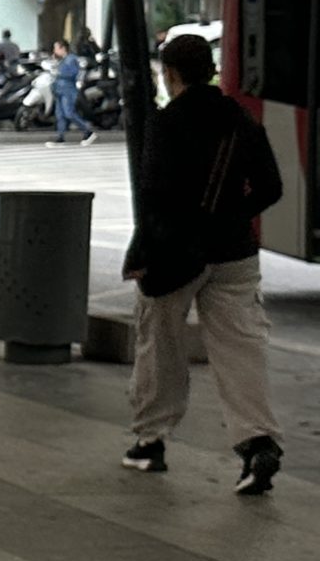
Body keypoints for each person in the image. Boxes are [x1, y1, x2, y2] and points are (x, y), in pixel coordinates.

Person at [120, 32, 285, 494]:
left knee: (161, 347)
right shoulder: (240, 118)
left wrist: (144, 255)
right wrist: (231, 218)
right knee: (241, 348)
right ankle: (258, 445)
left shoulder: (165, 123)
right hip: (234, 253)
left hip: (176, 254)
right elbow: (270, 187)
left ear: (169, 74)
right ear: (210, 69)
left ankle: (150, 443)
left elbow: (153, 198)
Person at [44, 38, 94, 146]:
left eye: (56, 48)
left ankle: (87, 131)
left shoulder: (71, 59)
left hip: (68, 90)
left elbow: (72, 73)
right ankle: (60, 136)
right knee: (60, 115)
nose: (54, 51)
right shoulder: (61, 60)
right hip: (59, 89)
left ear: (63, 48)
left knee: (69, 113)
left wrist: (57, 72)